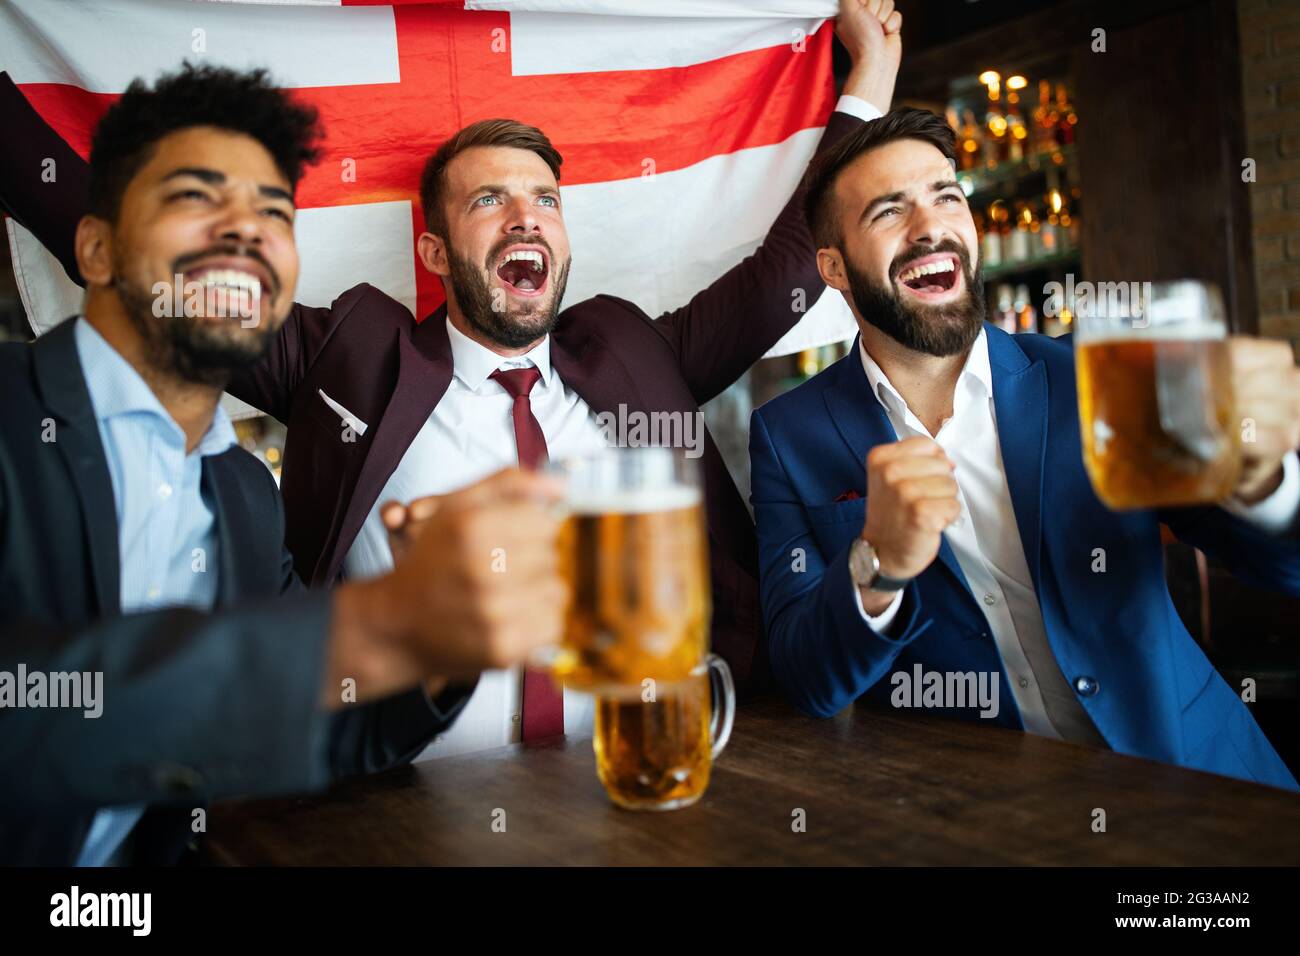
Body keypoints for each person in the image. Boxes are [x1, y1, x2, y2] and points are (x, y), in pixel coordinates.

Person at [0, 1, 906, 756]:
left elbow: (786, 274)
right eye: (490, 200)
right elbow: (158, 277)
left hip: (652, 788)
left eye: (545, 199)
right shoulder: (352, 358)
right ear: (433, 251)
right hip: (403, 804)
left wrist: (867, 75)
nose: (527, 216)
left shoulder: (632, 353)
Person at [0, 64, 568, 865]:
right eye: (196, 197)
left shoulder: (241, 495)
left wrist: (442, 646)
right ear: (94, 247)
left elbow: (326, 726)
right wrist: (373, 628)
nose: (248, 232)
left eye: (273, 211)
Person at [749, 107, 1300, 789]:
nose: (931, 228)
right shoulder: (787, 434)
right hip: (999, 822)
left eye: (947, 197)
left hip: (1196, 780)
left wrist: (1262, 481)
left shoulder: (1093, 379)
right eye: (889, 212)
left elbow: (1285, 567)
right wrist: (878, 565)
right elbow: (808, 681)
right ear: (832, 266)